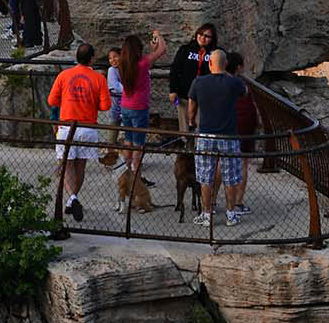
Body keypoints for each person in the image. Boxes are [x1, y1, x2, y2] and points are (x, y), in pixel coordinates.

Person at [46, 41, 111, 222]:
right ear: (92, 59)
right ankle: (72, 200)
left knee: (67, 165)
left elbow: (52, 100)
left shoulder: (64, 75)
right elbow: (106, 106)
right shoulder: (99, 78)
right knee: (81, 165)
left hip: (67, 127)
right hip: (88, 127)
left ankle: (72, 198)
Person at [186, 48, 250, 227]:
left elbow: (191, 108)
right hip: (228, 135)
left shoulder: (199, 82)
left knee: (205, 176)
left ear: (210, 63)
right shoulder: (234, 83)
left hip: (206, 134)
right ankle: (231, 214)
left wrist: (192, 121)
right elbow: (245, 92)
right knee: (230, 176)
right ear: (227, 64)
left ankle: (207, 214)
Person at [116, 30, 167, 176]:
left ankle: (127, 165)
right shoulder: (142, 63)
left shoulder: (122, 64)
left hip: (125, 105)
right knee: (139, 141)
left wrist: (154, 49)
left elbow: (156, 54)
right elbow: (162, 50)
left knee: (128, 138)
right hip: (139, 107)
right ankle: (135, 168)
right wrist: (158, 35)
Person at [226, 50, 259, 216]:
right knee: (242, 164)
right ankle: (237, 203)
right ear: (238, 67)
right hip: (242, 127)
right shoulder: (241, 86)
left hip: (223, 127)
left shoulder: (217, 83)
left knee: (221, 163)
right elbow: (249, 111)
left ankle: (211, 203)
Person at [168, 23, 218, 127]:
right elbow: (175, 70)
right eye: (200, 34)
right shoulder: (185, 50)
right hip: (184, 94)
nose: (202, 38)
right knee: (184, 125)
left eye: (207, 36)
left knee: (201, 126)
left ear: (212, 39)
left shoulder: (216, 53)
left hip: (205, 97)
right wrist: (173, 90)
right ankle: (186, 142)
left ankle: (198, 143)